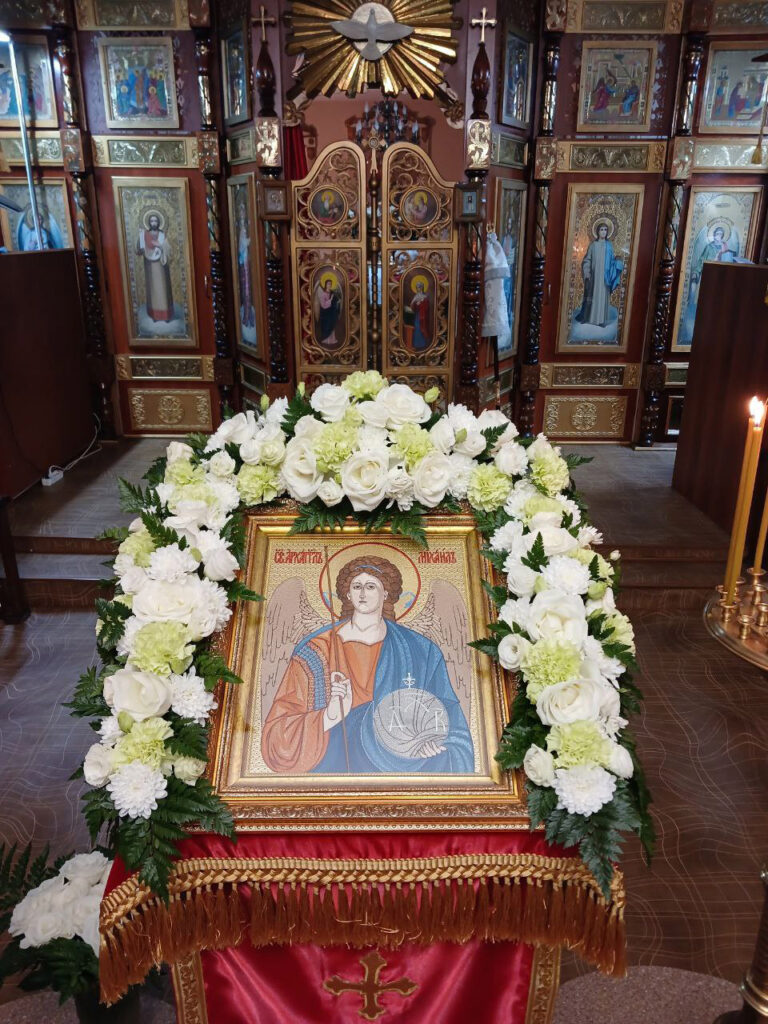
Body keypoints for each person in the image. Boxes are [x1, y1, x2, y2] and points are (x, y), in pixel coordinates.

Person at [262, 556, 474, 774]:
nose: (362, 593)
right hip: (336, 759)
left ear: (386, 593)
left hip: (398, 760)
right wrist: (329, 715)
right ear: (347, 594)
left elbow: (447, 715)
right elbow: (278, 733)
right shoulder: (315, 651)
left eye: (371, 586)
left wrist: (431, 740)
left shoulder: (420, 650)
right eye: (356, 586)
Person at [574, 221, 624, 328]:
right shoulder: (593, 245)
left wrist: (617, 262)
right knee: (592, 297)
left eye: (605, 230)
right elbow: (587, 260)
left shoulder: (609, 246)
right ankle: (589, 318)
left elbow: (612, 261)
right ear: (597, 231)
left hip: (605, 278)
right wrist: (587, 273)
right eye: (601, 230)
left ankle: (601, 321)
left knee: (602, 298)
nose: (603, 232)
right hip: (594, 277)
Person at [136, 212, 173, 322]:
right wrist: (141, 242)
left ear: (159, 222)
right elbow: (139, 249)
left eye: (155, 221)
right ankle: (155, 315)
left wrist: (160, 245)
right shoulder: (144, 234)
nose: (153, 223)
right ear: (149, 222)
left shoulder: (162, 234)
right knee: (153, 289)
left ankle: (165, 316)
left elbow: (168, 249)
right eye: (151, 221)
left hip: (161, 267)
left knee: (162, 288)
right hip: (150, 267)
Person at [313, 274, 342, 347]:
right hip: (325, 314)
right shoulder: (323, 294)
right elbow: (323, 305)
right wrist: (330, 300)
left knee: (332, 326)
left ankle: (332, 340)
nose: (329, 285)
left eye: (330, 284)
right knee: (327, 326)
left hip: (332, 313)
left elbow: (336, 301)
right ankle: (326, 340)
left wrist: (337, 302)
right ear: (325, 285)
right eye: (328, 284)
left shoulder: (332, 293)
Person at [408, 278, 431, 350]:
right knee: (416, 328)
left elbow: (426, 308)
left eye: (419, 287)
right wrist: (414, 302)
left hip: (423, 316)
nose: (418, 288)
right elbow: (412, 306)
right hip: (417, 315)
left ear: (422, 287)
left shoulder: (425, 297)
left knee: (422, 328)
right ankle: (416, 344)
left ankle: (423, 344)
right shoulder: (416, 296)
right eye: (417, 287)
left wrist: (421, 304)